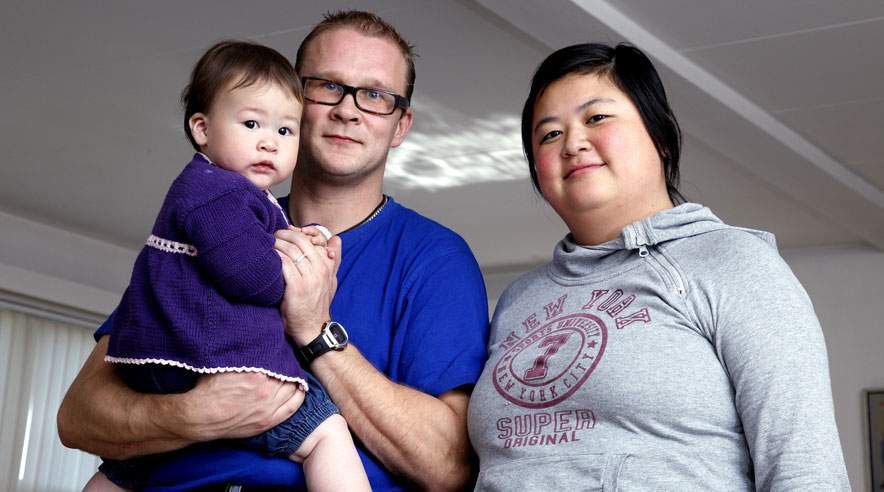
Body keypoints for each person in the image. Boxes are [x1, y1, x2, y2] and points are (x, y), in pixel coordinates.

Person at [58, 10, 489, 491]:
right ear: (292, 99)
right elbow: (77, 415)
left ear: (401, 124)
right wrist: (193, 414)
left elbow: (447, 467)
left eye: (375, 95)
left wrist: (315, 332)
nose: (348, 110)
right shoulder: (216, 219)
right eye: (326, 85)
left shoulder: (435, 258)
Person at [467, 43, 850, 490]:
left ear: (662, 136)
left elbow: (804, 467)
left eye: (596, 118)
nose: (572, 143)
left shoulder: (733, 262)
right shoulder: (520, 299)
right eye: (549, 134)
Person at [84, 40, 369, 492]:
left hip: (165, 362)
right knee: (326, 432)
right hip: (208, 361)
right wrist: (303, 279)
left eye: (285, 131)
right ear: (201, 128)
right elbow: (250, 275)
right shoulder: (221, 192)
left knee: (136, 459)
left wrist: (303, 245)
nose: (267, 142)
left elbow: (243, 249)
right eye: (252, 123)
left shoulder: (223, 192)